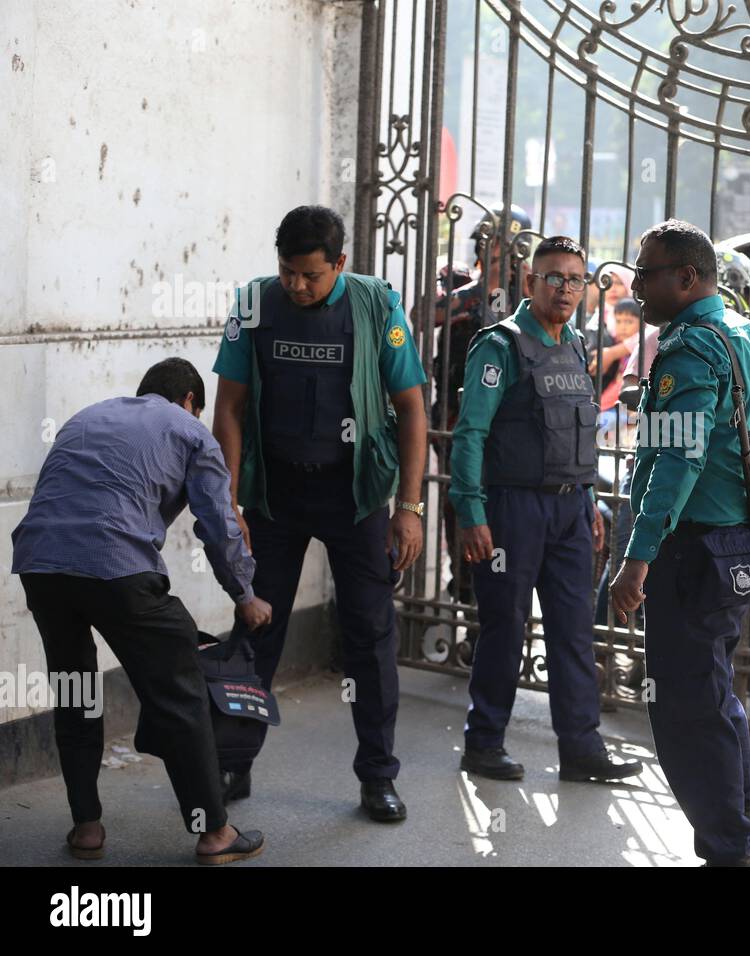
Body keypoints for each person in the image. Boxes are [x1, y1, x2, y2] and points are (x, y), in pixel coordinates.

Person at [211, 205, 428, 822]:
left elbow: (411, 407)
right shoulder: (255, 304)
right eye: (287, 272)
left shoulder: (376, 306)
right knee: (256, 628)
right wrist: (229, 502)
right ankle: (234, 763)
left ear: (340, 264)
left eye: (310, 275)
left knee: (371, 633)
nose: (296, 286)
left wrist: (408, 509)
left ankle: (378, 777)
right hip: (275, 496)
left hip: (353, 495)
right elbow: (227, 408)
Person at [12, 358, 271, 864]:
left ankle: (86, 828)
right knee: (181, 692)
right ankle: (215, 834)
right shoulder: (189, 431)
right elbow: (219, 526)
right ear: (191, 400)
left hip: (41, 565)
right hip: (118, 568)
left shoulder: (86, 417)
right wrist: (245, 595)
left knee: (76, 690)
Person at [610, 219, 750, 867]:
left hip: (692, 550)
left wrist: (638, 557)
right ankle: (745, 813)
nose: (635, 287)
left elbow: (674, 462)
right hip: (740, 544)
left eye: (646, 273)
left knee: (686, 710)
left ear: (686, 278)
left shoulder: (690, 347)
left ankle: (729, 848)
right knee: (714, 691)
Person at [450, 235, 643, 784]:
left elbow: (575, 435)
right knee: (505, 629)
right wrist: (471, 513)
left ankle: (581, 751)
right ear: (530, 283)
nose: (565, 288)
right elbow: (470, 436)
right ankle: (483, 743)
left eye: (575, 279)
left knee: (573, 631)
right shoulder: (501, 346)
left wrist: (587, 504)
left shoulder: (577, 346)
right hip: (512, 511)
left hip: (569, 514)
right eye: (553, 277)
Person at [434, 204, 533, 604]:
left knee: (510, 521)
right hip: (460, 426)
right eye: (490, 248)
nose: (498, 260)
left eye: (507, 253)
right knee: (461, 513)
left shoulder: (532, 301)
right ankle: (466, 599)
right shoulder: (463, 291)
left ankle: (504, 607)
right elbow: (423, 315)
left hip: (514, 431)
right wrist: (484, 281)